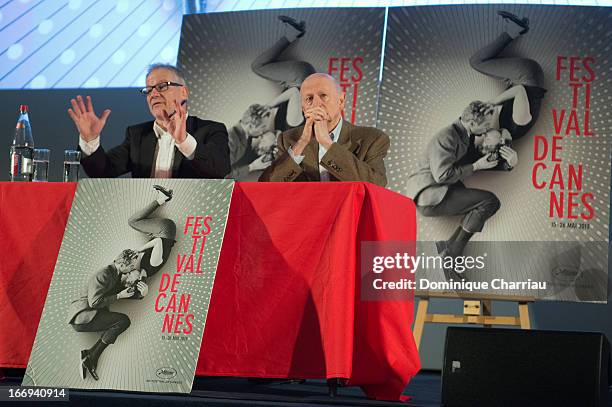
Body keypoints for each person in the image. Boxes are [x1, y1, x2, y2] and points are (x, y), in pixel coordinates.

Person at [405, 102, 519, 281]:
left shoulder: (465, 134)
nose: (489, 128)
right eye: (486, 125)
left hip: (441, 189)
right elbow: (442, 175)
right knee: (490, 201)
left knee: (480, 205)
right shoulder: (447, 136)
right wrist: (476, 166)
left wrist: (509, 157)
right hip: (430, 194)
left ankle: (448, 250)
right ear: (472, 123)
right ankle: (451, 254)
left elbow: (482, 159)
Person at [68, 63, 230, 178]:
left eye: (162, 86)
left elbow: (219, 170)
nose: (153, 94)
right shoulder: (137, 135)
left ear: (183, 92)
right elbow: (103, 172)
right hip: (145, 219)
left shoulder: (210, 130)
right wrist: (90, 140)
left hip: (191, 219)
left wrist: (183, 140)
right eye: (149, 90)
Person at [259, 73, 389, 186]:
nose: (316, 104)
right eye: (309, 98)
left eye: (323, 95)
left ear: (341, 101)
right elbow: (265, 187)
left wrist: (327, 143)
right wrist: (302, 142)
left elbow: (376, 184)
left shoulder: (371, 138)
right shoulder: (288, 140)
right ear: (303, 108)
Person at [467, 11, 546, 142]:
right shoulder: (518, 125)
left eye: (483, 135)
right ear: (501, 143)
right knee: (476, 62)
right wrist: (493, 102)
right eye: (487, 140)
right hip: (527, 75)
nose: (485, 134)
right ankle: (515, 29)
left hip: (518, 79)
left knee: (480, 64)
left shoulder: (505, 127)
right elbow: (519, 90)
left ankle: (516, 29)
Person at [68, 249, 144, 381]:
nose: (133, 269)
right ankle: (91, 356)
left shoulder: (116, 273)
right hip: (83, 316)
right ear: (122, 265)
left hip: (93, 313)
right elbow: (94, 302)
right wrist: (119, 296)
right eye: (131, 266)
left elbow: (121, 292)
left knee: (119, 322)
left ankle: (90, 355)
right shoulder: (104, 274)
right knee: (123, 321)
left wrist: (142, 293)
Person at [251, 15, 316, 131]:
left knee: (264, 70)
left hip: (301, 78)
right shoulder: (293, 125)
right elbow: (294, 92)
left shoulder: (291, 129)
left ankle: (295, 32)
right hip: (299, 77)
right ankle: (292, 33)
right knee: (257, 66)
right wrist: (269, 105)